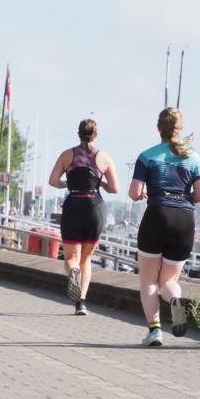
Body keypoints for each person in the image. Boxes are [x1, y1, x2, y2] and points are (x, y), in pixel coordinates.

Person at [129, 107, 200, 346]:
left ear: (158, 128)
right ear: (179, 128)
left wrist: (145, 194)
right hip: (184, 219)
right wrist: (183, 199)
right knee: (169, 280)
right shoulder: (193, 158)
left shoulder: (147, 156)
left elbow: (134, 192)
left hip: (157, 215)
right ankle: (175, 299)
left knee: (149, 280)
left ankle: (155, 331)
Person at [48, 119, 120, 315]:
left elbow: (53, 181)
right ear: (96, 135)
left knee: (72, 258)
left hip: (73, 206)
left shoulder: (67, 155)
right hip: (94, 208)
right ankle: (81, 303)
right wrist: (99, 183)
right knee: (86, 259)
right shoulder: (104, 157)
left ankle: (73, 271)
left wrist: (68, 184)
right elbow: (114, 188)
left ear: (78, 134)